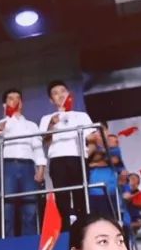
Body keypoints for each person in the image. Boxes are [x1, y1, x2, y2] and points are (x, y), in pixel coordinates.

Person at [0, 88, 46, 237]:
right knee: (7, 208)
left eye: (18, 98)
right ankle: (8, 242)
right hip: (8, 166)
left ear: (22, 103)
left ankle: (30, 242)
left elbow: (38, 148)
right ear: (4, 104)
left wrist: (41, 169)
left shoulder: (31, 125)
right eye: (11, 98)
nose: (15, 101)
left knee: (30, 207)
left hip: (28, 166)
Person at [38, 81, 99, 223]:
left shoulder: (81, 116)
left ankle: (82, 227)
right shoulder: (47, 118)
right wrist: (52, 124)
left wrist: (85, 154)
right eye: (55, 93)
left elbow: (92, 140)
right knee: (62, 198)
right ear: (51, 100)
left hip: (78, 158)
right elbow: (45, 140)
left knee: (81, 196)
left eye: (63, 91)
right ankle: (66, 229)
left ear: (69, 93)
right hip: (57, 159)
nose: (60, 95)